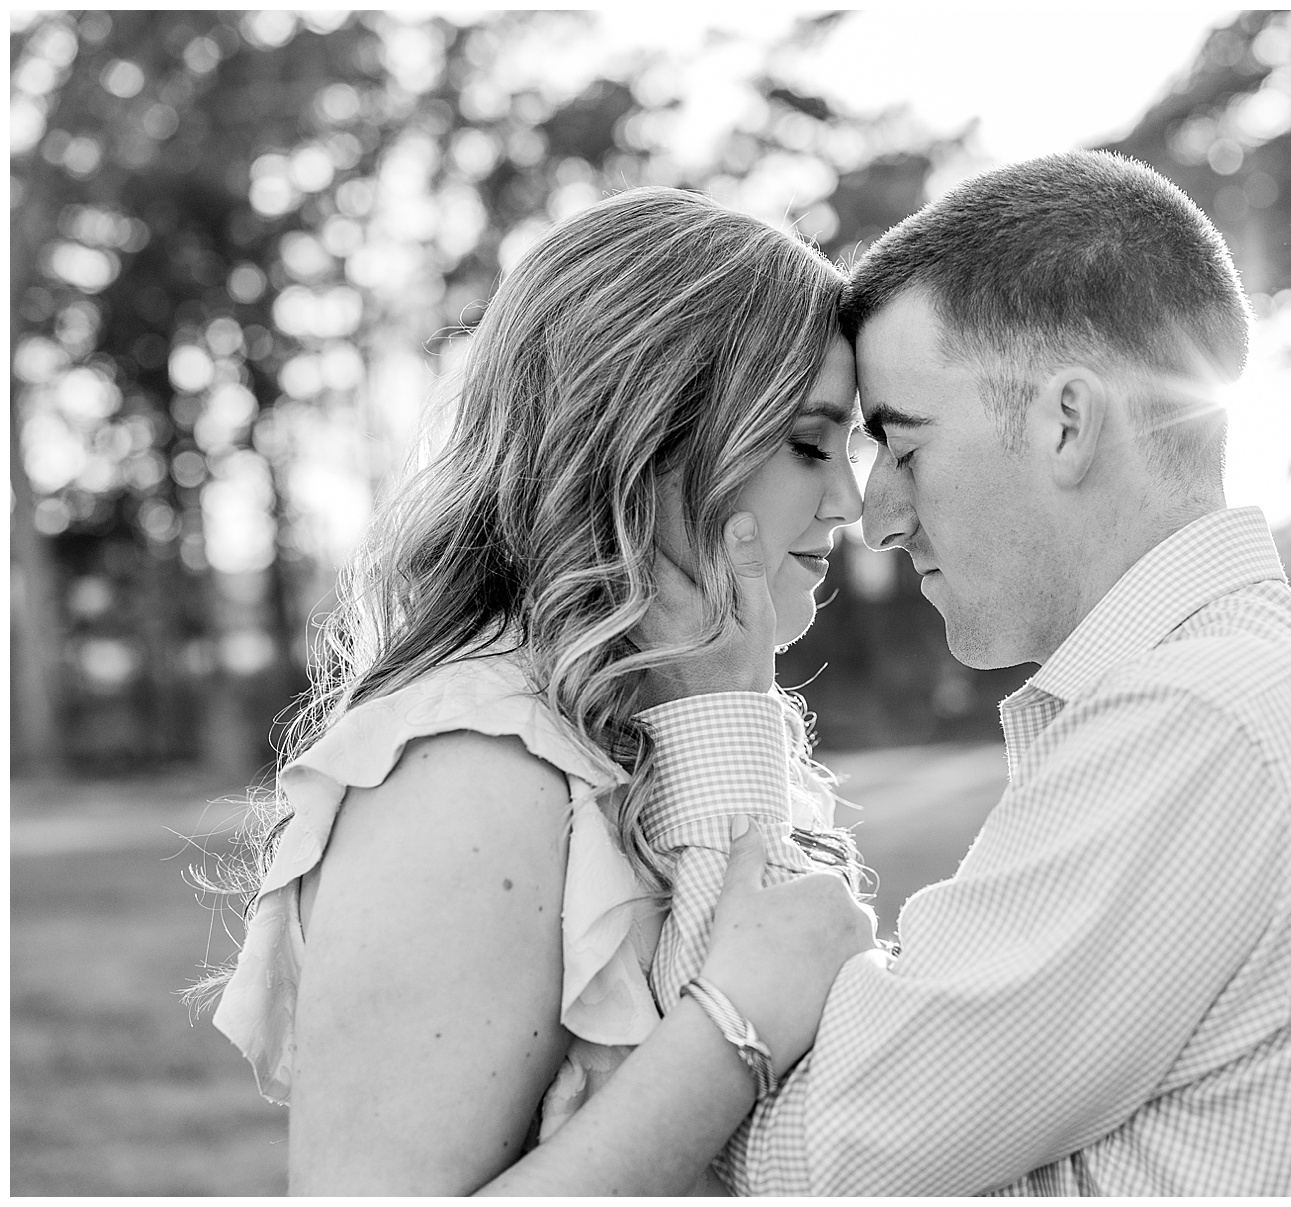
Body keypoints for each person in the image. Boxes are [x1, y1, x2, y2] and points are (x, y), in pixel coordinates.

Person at [517, 150, 1291, 1195]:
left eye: (905, 448)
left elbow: (795, 1158)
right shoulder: (1255, 691)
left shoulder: (1196, 727)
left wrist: (715, 704)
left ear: (1065, 423)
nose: (878, 518)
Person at [200, 186, 880, 1194]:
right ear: (646, 441)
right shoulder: (472, 767)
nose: (850, 502)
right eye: (812, 444)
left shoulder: (681, 720)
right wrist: (735, 1029)